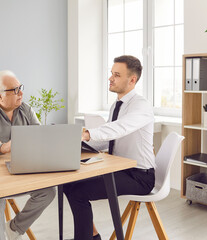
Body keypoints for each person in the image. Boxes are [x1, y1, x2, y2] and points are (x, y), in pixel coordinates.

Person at [64, 55, 156, 240]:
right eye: (111, 73)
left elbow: (120, 128)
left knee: (78, 192)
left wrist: (88, 133)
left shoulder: (141, 106)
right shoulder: (118, 104)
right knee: (68, 183)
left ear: (132, 80)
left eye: (116, 75)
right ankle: (92, 236)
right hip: (120, 168)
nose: (110, 78)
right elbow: (110, 140)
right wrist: (79, 142)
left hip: (139, 176)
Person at [0, 70, 56, 240]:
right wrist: (2, 148)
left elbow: (39, 137)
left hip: (21, 171)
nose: (21, 93)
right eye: (15, 90)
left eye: (20, 87)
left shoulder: (26, 109)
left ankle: (15, 228)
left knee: (49, 192)